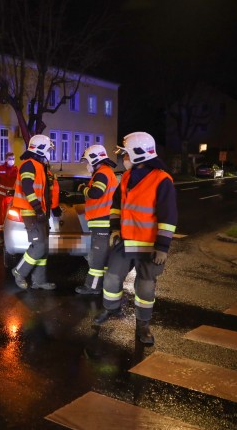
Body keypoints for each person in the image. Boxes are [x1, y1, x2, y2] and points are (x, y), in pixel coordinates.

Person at [92, 132, 177, 345]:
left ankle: (143, 326)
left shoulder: (162, 179)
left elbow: (169, 216)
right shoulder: (128, 176)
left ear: (138, 154)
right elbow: (117, 205)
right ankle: (111, 309)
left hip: (149, 246)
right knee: (111, 277)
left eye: (126, 153)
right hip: (125, 241)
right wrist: (114, 229)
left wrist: (163, 247)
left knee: (145, 288)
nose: (123, 157)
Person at [11, 135, 61, 290]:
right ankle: (19, 271)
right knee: (38, 247)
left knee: (43, 249)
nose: (49, 153)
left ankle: (39, 281)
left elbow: (45, 192)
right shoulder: (29, 165)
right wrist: (38, 209)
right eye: (48, 149)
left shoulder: (40, 167)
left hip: (40, 213)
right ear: (40, 149)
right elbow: (27, 188)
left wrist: (51, 208)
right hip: (31, 213)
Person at [75, 145, 118, 295]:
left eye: (87, 161)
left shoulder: (102, 174)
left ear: (95, 159)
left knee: (97, 258)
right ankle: (103, 286)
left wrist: (81, 188)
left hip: (101, 220)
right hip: (103, 220)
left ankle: (92, 287)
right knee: (101, 256)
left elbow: (95, 193)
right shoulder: (105, 173)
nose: (87, 164)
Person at [0, 152, 18, 248]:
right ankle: (0, 234)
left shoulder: (16, 170)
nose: (12, 160)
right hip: (0, 197)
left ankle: (9, 232)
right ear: (6, 159)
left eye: (13, 158)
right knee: (0, 216)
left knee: (10, 215)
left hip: (10, 197)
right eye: (10, 158)